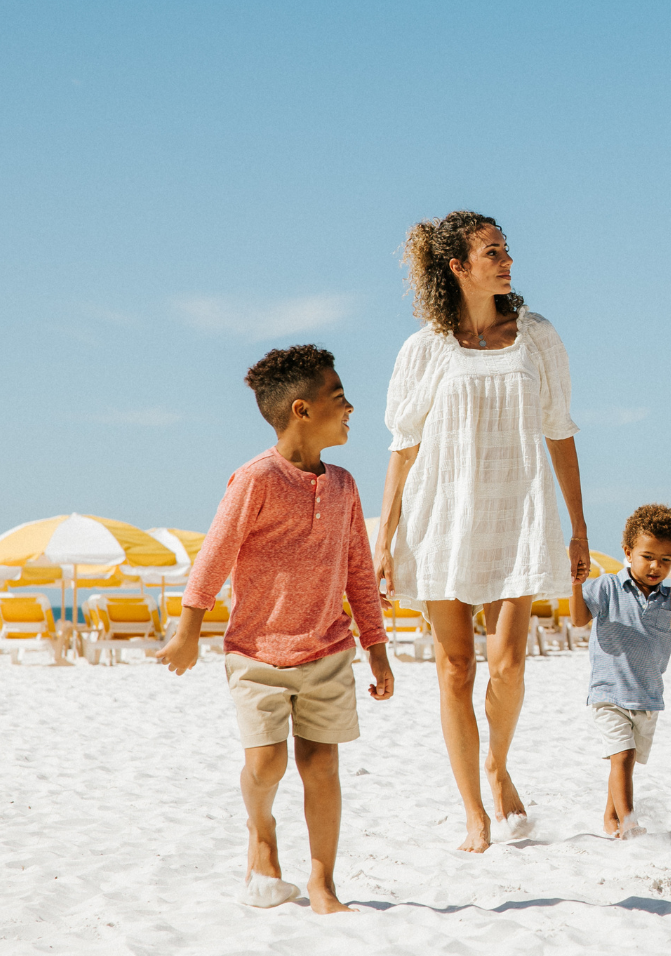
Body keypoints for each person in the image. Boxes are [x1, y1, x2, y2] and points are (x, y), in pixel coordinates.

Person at [377, 211, 591, 853]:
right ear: (457, 267)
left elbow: (560, 431)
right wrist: (382, 540)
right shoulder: (425, 348)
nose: (507, 261)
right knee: (454, 670)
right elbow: (403, 446)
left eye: (506, 250)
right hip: (443, 516)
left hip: (517, 513)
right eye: (491, 252)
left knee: (511, 664)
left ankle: (498, 763)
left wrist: (579, 526)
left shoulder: (537, 337)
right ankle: (474, 807)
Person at [157, 345, 394, 914]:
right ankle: (261, 834)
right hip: (257, 654)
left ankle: (322, 882)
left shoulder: (343, 485)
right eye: (339, 397)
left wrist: (376, 646)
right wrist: (188, 629)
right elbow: (215, 554)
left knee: (321, 765)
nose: (351, 407)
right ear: (301, 410)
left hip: (328, 650)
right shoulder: (256, 479)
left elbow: (359, 568)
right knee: (267, 765)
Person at [569, 504, 671, 838]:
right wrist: (576, 584)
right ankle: (628, 822)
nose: (656, 566)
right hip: (608, 692)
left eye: (666, 559)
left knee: (624, 762)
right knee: (624, 756)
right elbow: (577, 618)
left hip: (648, 697)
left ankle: (610, 819)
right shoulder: (607, 588)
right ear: (628, 552)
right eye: (647, 556)